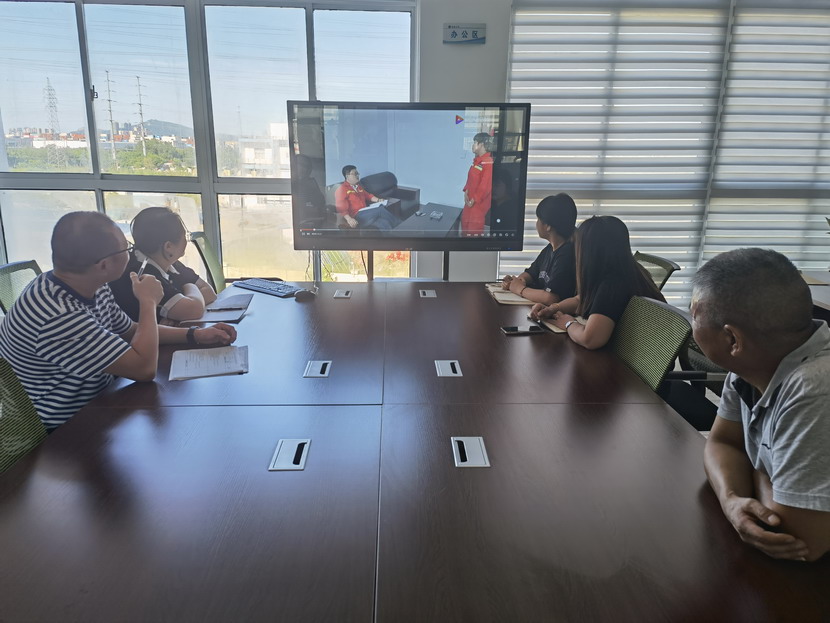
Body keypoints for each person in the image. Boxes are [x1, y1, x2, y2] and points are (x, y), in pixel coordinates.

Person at [0, 211, 237, 429]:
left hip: (105, 399)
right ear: (104, 265)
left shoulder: (90, 285)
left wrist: (195, 335)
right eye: (126, 249)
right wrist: (148, 302)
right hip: (67, 429)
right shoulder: (59, 315)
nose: (131, 254)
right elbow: (143, 369)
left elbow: (130, 329)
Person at [692, 248, 829, 562]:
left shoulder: (815, 388)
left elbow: (796, 540)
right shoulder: (752, 365)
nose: (692, 324)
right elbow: (722, 443)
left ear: (732, 340)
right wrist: (732, 501)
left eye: (695, 315)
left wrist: (756, 470)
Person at [530, 215, 664, 349]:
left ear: (590, 252)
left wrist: (568, 323)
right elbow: (580, 299)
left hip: (637, 358)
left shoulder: (614, 284)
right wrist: (553, 308)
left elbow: (590, 339)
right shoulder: (626, 270)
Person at [109, 207, 217, 322]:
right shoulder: (142, 273)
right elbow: (193, 310)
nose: (186, 241)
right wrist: (190, 286)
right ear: (168, 246)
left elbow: (210, 292)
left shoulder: (169, 262)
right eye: (185, 236)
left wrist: (185, 301)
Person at [501, 193, 577, 305]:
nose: (536, 224)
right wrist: (518, 281)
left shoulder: (567, 254)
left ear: (548, 226)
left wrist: (519, 289)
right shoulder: (549, 249)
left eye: (538, 219)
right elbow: (531, 273)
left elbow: (551, 298)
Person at [334, 165, 398, 230]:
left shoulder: (358, 186)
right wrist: (349, 219)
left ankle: (394, 234)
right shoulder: (342, 189)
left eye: (357, 173)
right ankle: (400, 225)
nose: (358, 175)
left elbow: (368, 196)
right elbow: (341, 208)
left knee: (383, 222)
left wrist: (378, 200)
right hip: (356, 216)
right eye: (355, 173)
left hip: (366, 212)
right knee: (381, 210)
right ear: (347, 176)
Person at [461, 132, 494, 236]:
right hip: (469, 203)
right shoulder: (477, 162)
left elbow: (485, 186)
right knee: (465, 227)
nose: (473, 145)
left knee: (473, 231)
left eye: (475, 142)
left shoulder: (488, 162)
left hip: (478, 205)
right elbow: (471, 179)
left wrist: (474, 199)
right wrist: (466, 191)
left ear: (481, 144)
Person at [292, 154, 327, 227]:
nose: (303, 168)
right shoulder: (291, 183)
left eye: (306, 166)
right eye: (300, 164)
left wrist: (313, 188)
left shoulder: (310, 182)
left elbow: (321, 202)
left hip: (309, 221)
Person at [487, 167, 519, 236]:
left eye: (497, 185)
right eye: (491, 185)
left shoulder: (510, 210)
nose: (493, 189)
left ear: (507, 187)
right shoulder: (493, 207)